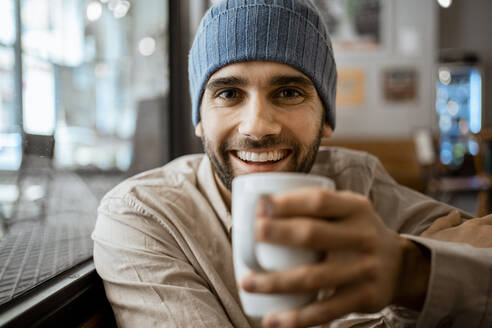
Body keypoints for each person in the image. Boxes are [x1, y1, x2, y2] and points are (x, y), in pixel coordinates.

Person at [92, 1, 492, 327]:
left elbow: (478, 238)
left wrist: (412, 271)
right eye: (229, 93)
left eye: (287, 91)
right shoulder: (145, 216)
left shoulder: (357, 182)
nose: (258, 127)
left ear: (327, 119)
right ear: (199, 119)